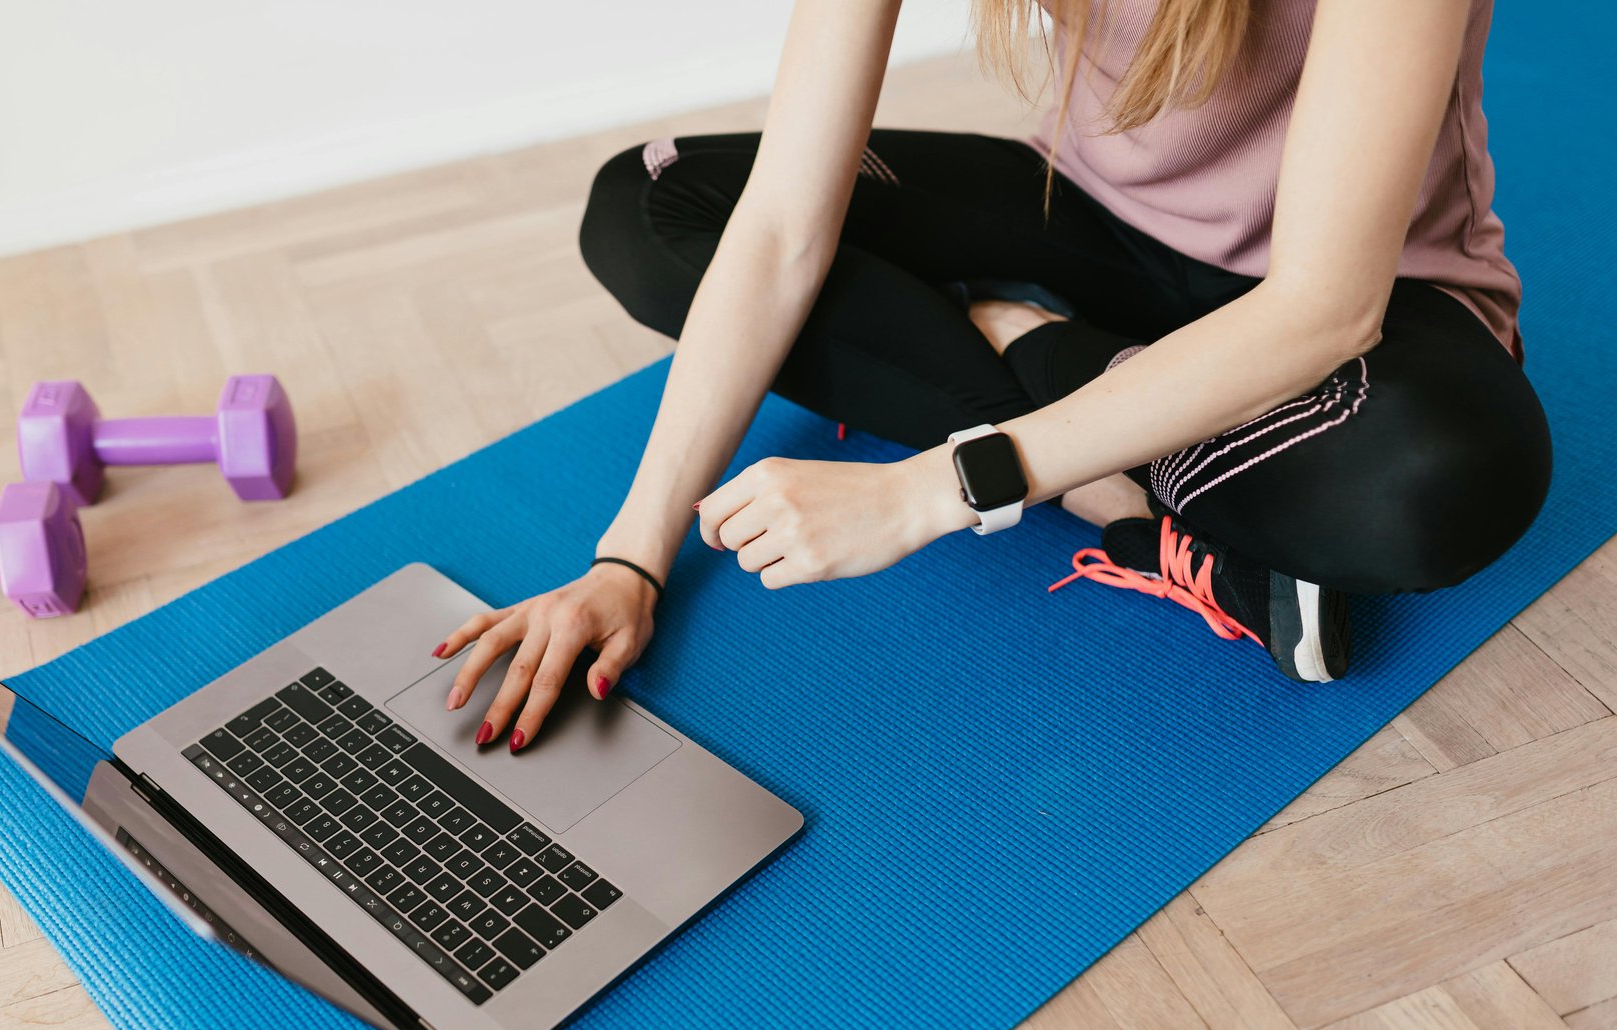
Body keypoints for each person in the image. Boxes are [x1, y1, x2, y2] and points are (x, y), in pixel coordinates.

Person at [432, 0, 1549, 750]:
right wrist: (630, 556)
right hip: (1095, 228)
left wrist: (932, 487)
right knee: (653, 203)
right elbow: (779, 224)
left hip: (1367, 313)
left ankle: (1031, 348)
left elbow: (1322, 308)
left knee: (1437, 481)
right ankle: (1114, 478)